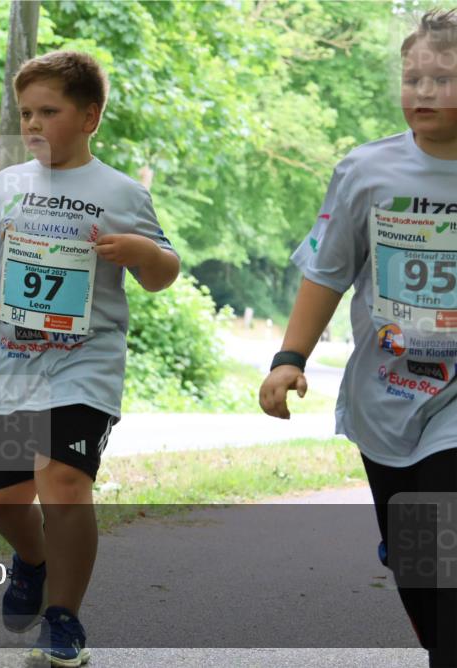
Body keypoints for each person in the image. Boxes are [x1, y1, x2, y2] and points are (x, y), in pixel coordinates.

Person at [0, 50, 179, 666]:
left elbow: (164, 271)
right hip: (6, 366)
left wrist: (138, 252)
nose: (35, 124)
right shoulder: (5, 188)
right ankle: (34, 559)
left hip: (84, 364)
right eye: (26, 113)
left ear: (90, 117)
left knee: (65, 481)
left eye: (50, 111)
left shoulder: (120, 193)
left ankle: (64, 617)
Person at [259, 9, 457, 667]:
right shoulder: (366, 172)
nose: (423, 92)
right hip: (388, 392)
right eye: (413, 77)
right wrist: (289, 358)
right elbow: (327, 273)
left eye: (443, 78)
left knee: (442, 530)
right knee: (420, 563)